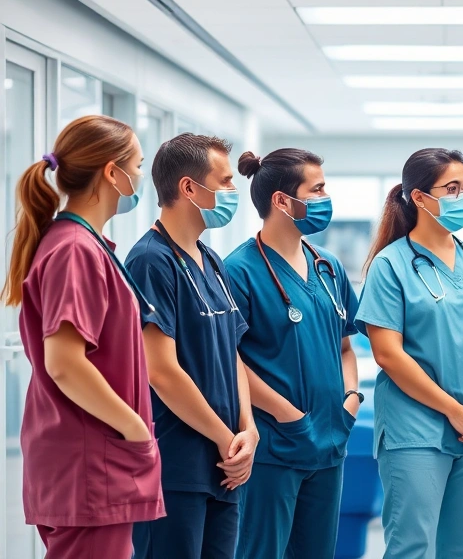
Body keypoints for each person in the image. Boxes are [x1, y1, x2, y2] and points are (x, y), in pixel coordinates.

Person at [1, 115, 165, 558]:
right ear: (113, 173)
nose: (140, 178)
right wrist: (135, 430)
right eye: (137, 165)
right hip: (90, 461)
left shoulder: (82, 244)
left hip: (88, 459)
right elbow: (65, 363)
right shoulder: (74, 249)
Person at [355, 148, 463, 559]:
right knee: (413, 547)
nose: (462, 197)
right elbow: (388, 355)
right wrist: (451, 408)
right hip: (416, 430)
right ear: (420, 198)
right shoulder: (390, 265)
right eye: (452, 188)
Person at [225, 148, 360, 559]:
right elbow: (230, 361)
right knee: (262, 551)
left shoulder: (328, 266)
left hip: (330, 440)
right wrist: (287, 414)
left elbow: (345, 345)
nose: (325, 199)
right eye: (316, 189)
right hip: (275, 444)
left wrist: (350, 400)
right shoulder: (239, 270)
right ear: (283, 201)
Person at [127, 134, 257, 559]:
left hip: (225, 466)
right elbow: (160, 372)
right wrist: (225, 438)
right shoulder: (150, 261)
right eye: (224, 182)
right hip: (177, 466)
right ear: (188, 188)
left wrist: (247, 429)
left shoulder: (210, 260)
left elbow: (231, 350)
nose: (233, 193)